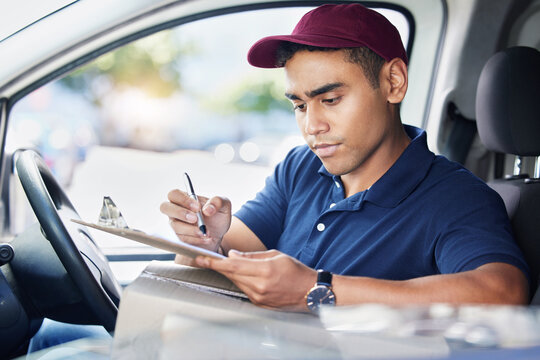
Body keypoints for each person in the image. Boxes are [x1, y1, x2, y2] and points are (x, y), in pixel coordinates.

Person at [160, 3, 529, 312]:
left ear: (393, 82)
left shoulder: (454, 197)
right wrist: (203, 243)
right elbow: (224, 256)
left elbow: (504, 293)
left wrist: (317, 289)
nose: (312, 126)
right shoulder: (300, 168)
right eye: (300, 105)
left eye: (331, 100)